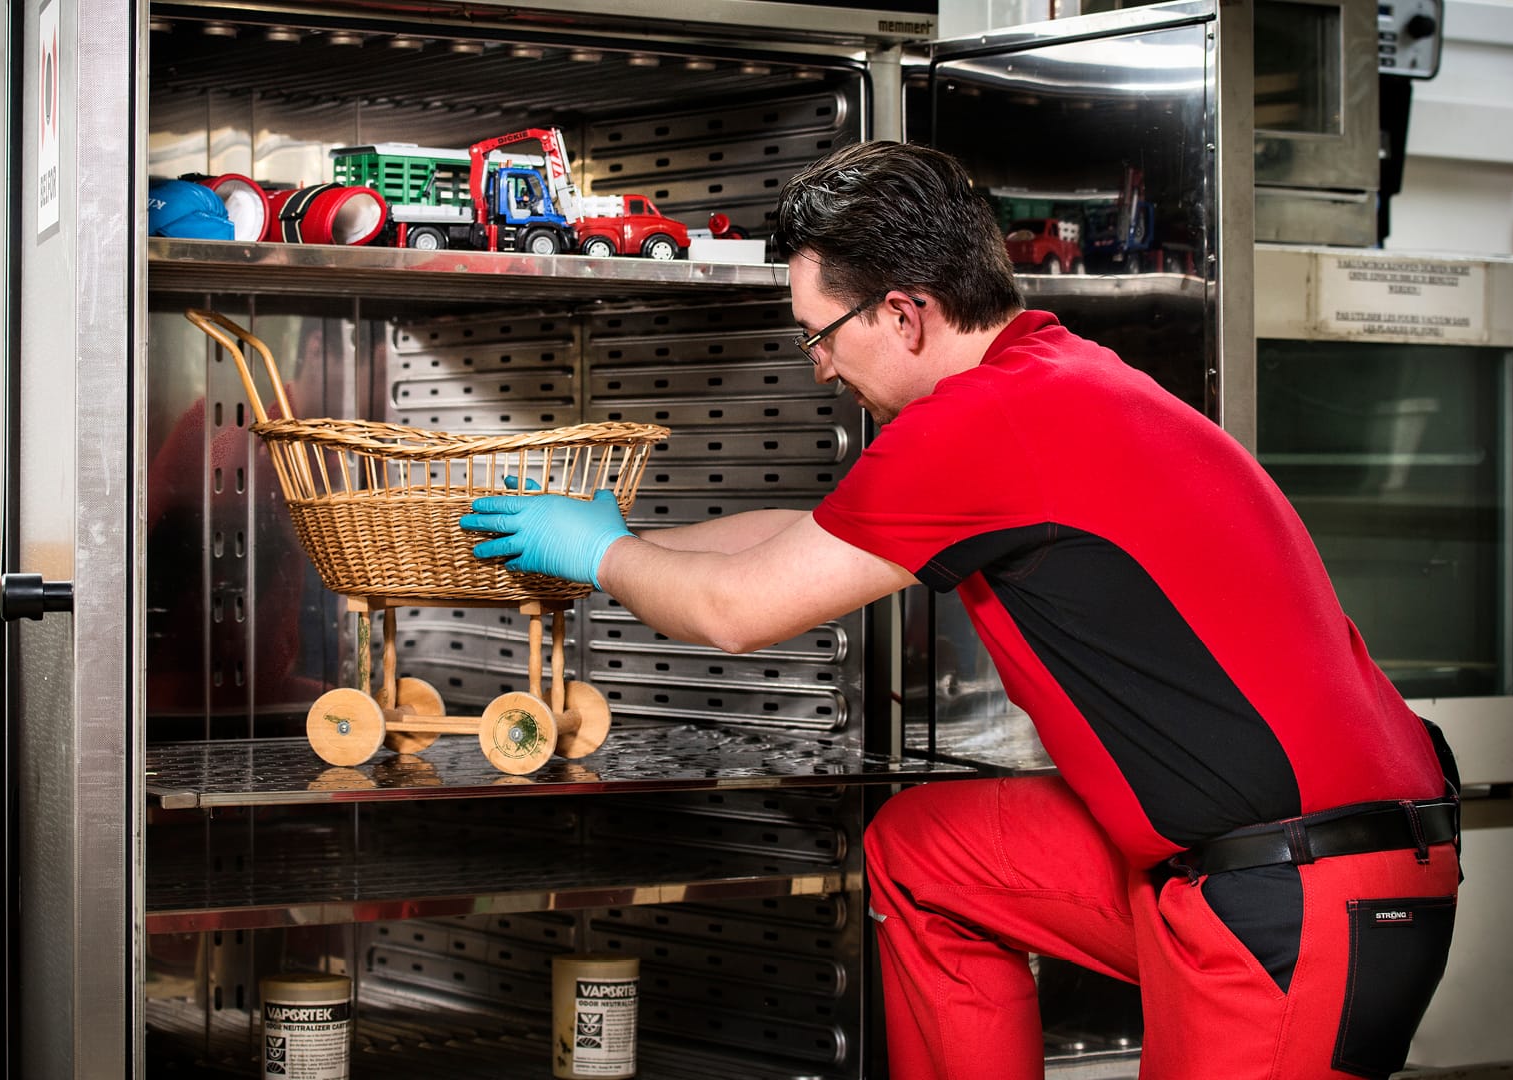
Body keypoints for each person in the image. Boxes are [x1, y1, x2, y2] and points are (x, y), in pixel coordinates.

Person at [458, 141, 1461, 1079]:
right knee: (928, 854)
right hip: (1303, 857)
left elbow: (736, 611)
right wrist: (625, 540)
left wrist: (602, 555)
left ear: (904, 314)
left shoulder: (986, 422)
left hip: (1299, 898)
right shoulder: (1046, 379)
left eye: (821, 335)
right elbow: (812, 541)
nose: (819, 367)